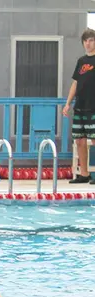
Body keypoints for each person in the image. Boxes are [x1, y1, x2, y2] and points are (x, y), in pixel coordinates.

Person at [63, 28, 95, 184]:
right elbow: (75, 83)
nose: (88, 44)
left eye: (91, 40)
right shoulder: (81, 61)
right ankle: (84, 174)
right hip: (80, 106)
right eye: (85, 41)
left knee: (94, 140)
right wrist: (68, 103)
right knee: (80, 140)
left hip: (93, 106)